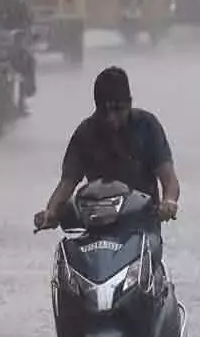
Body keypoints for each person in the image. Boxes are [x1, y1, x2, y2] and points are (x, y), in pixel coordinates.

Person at [33, 67, 180, 261]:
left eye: (118, 110)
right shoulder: (85, 133)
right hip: (96, 233)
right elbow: (67, 183)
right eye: (105, 110)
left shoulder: (148, 126)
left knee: (151, 275)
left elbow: (169, 179)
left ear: (129, 103)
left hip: (141, 231)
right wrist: (50, 213)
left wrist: (168, 203)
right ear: (96, 107)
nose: (111, 118)